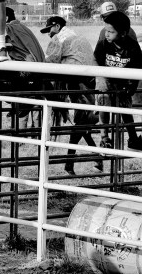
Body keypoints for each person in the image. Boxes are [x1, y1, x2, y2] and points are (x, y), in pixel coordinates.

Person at [40, 16, 103, 175]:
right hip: (87, 78)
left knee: (82, 123)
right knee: (84, 122)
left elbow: (50, 61)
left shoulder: (59, 39)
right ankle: (95, 158)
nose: (49, 34)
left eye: (50, 30)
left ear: (57, 26)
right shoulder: (76, 36)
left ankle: (75, 162)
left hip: (75, 80)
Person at [93, 11, 142, 153]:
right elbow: (95, 59)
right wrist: (100, 77)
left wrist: (131, 86)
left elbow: (136, 68)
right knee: (104, 99)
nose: (107, 34)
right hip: (105, 78)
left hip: (122, 81)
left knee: (125, 105)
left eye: (111, 31)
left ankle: (133, 139)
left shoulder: (132, 47)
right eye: (106, 31)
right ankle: (104, 138)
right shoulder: (103, 44)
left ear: (122, 33)